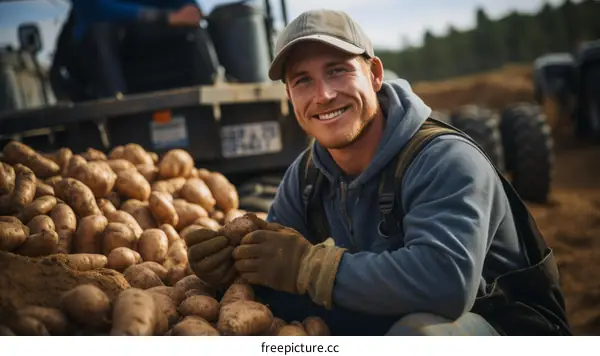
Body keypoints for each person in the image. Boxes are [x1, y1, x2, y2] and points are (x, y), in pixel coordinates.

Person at [185, 9, 573, 336]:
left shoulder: (443, 159)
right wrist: (233, 268)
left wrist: (309, 267)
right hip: (389, 320)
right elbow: (279, 276)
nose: (322, 95)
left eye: (337, 71)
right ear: (290, 97)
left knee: (419, 335)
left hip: (503, 327)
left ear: (374, 74)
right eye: (303, 80)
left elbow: (446, 285)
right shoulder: (304, 179)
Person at [51, 0, 213, 100]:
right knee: (100, 32)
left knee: (195, 33)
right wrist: (164, 17)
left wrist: (189, 11)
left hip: (154, 59)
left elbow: (187, 9)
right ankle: (114, 107)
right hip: (101, 66)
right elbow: (95, 9)